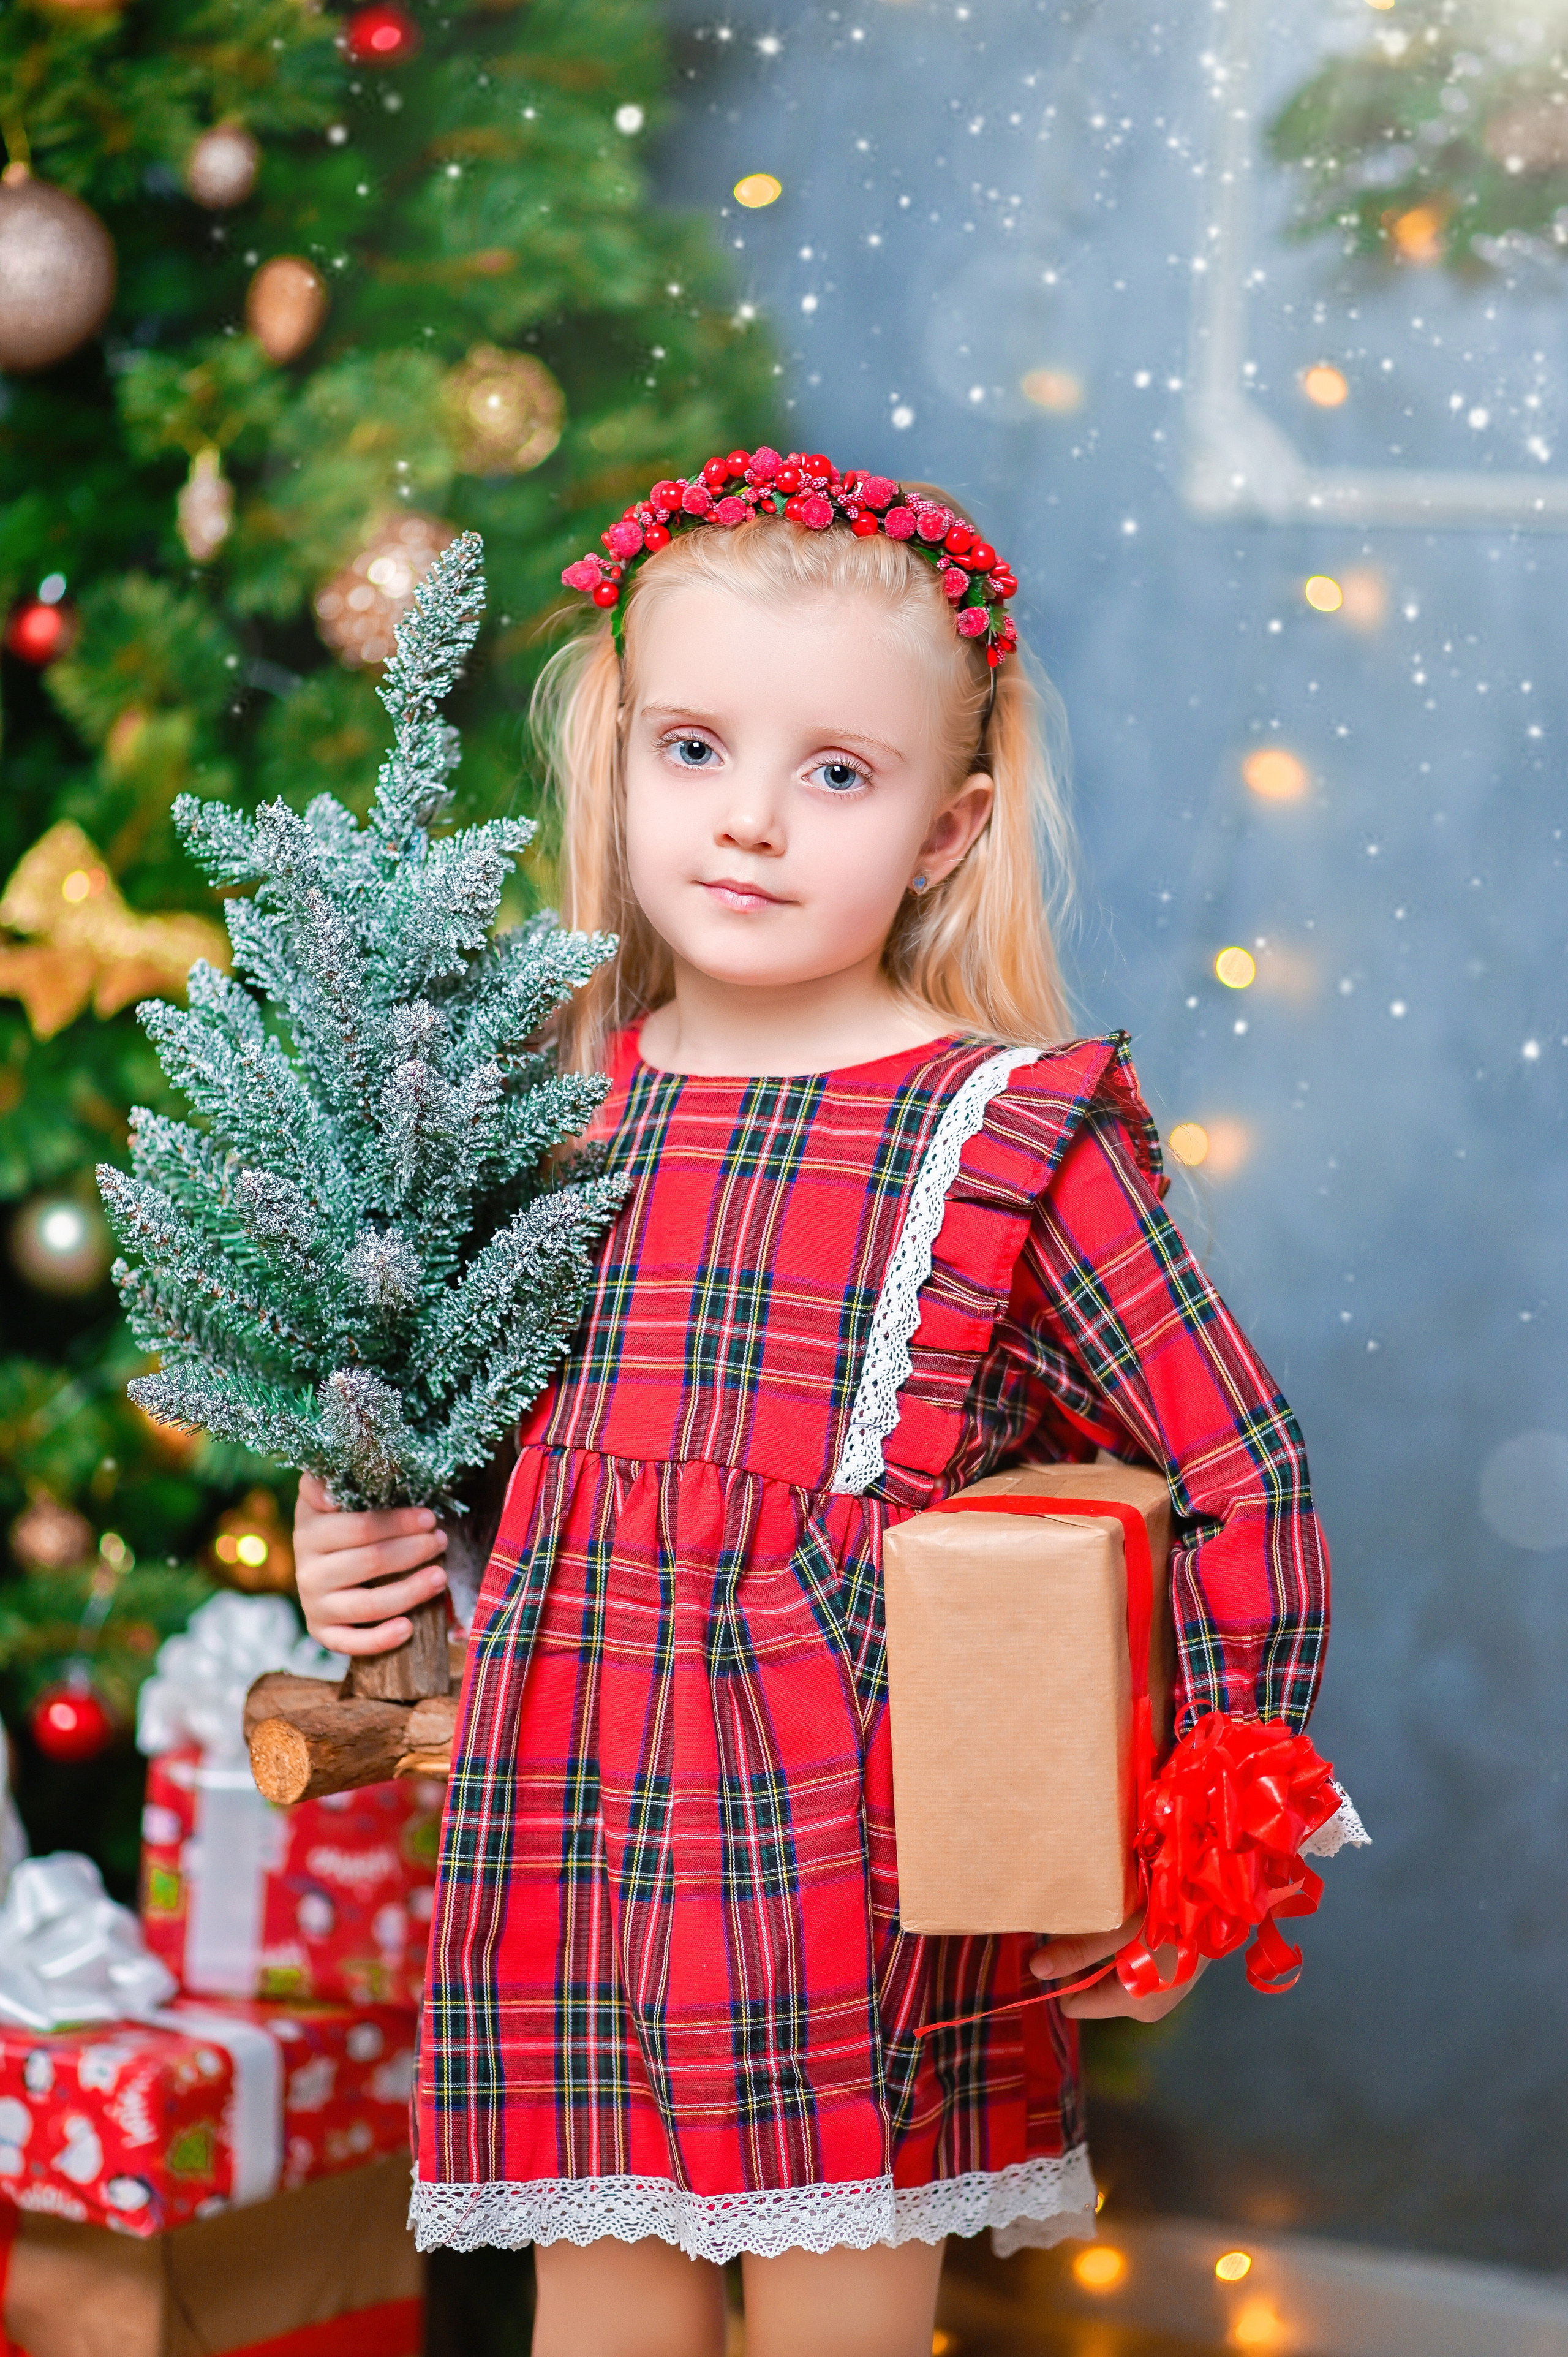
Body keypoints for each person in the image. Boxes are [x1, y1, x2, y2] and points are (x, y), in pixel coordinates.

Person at [294, 452, 1345, 2357]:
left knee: (833, 2335)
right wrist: (359, 1534)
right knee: (595, 2324)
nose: (752, 825)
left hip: (845, 1873)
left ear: (945, 831)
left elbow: (1236, 1465)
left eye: (835, 775)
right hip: (572, 1833)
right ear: (616, 762)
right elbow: (431, 1429)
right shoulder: (540, 1107)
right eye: (695, 750)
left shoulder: (1005, 1135)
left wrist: (1207, 1822)